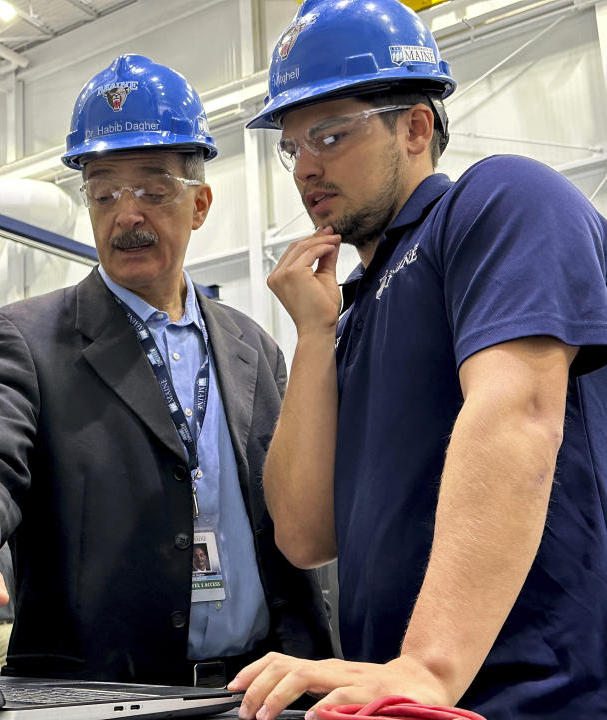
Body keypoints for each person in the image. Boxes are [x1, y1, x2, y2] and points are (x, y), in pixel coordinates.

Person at [228, 1, 607, 718]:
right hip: (396, 697)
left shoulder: (499, 203)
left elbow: (519, 412)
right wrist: (313, 337)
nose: (306, 167)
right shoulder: (355, 313)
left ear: (415, 126)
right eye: (294, 147)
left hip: (532, 696)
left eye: (330, 135)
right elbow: (306, 535)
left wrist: (429, 668)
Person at [0, 54, 332, 688]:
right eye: (104, 193)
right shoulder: (29, 339)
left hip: (259, 687)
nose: (126, 215)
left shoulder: (253, 347)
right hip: (102, 692)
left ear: (200, 204)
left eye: (153, 191)